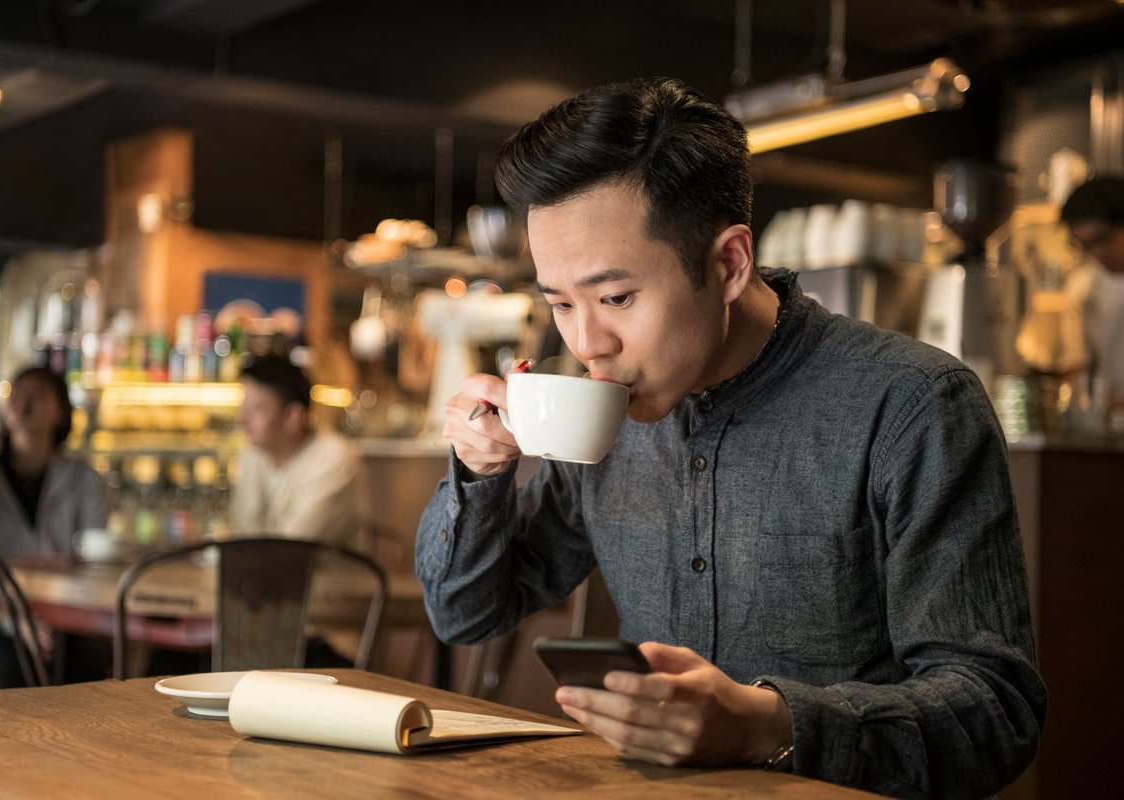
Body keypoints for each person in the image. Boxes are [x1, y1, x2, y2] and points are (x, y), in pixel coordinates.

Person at [415, 78, 1045, 799]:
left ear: (728, 264)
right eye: (560, 302)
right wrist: (478, 472)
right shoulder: (602, 411)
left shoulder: (911, 406)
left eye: (615, 298)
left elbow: (996, 714)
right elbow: (467, 611)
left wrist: (769, 724)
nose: (588, 342)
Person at [0, 365, 109, 687]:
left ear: (61, 412)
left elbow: (96, 559)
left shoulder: (86, 480)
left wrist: (52, 618)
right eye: (16, 393)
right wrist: (8, 618)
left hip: (70, 621)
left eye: (38, 394)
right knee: (10, 672)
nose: (23, 402)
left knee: (90, 676)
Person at [230, 354, 361, 548]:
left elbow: (294, 547)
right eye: (242, 408)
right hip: (262, 575)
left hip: (329, 577)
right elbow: (241, 535)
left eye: (255, 409)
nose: (242, 421)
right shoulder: (254, 454)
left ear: (293, 416)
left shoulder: (334, 459)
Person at [1060, 175, 1124, 425]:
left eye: (1102, 239)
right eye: (1084, 245)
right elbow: (1075, 366)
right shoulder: (1082, 287)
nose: (1096, 254)